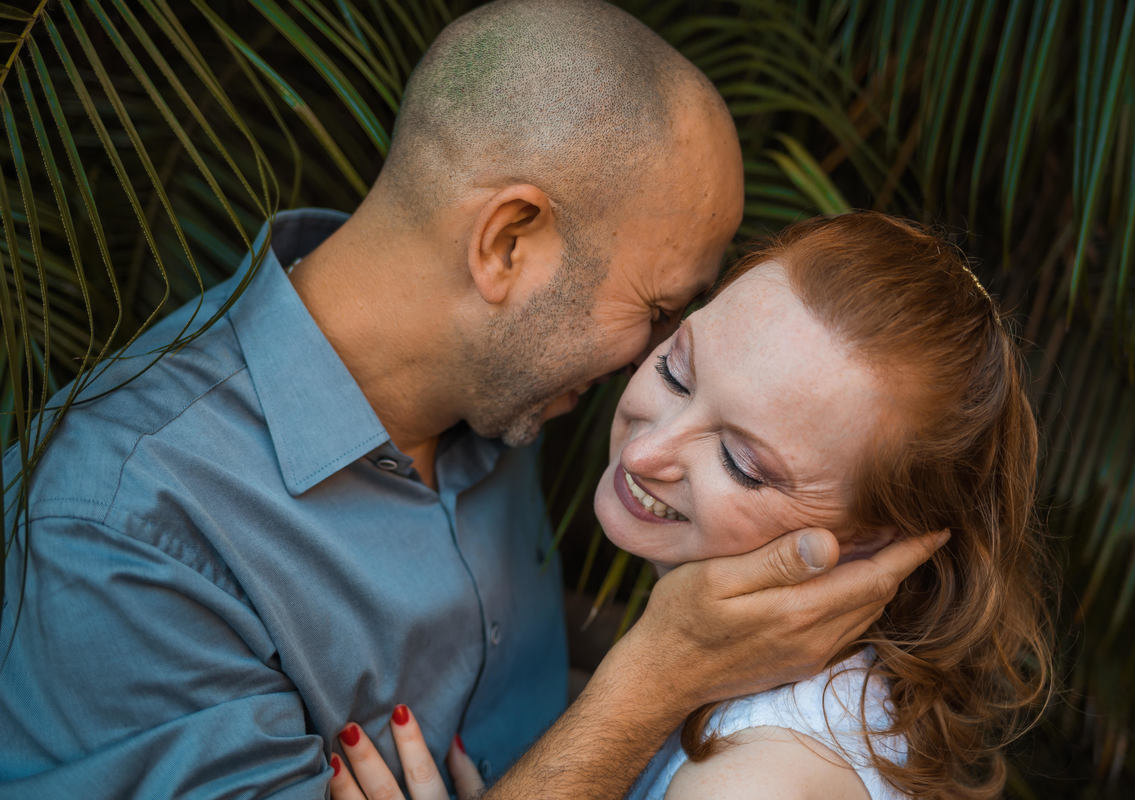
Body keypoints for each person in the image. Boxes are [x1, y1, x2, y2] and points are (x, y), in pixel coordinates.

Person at [0, 2, 945, 799]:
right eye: (657, 311)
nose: (648, 374)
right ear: (507, 245)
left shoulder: (505, 387)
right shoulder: (112, 534)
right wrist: (660, 676)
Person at [329, 212, 1052, 800]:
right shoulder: (823, 682)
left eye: (742, 462)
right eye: (677, 370)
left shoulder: (753, 783)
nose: (646, 453)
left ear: (870, 540)